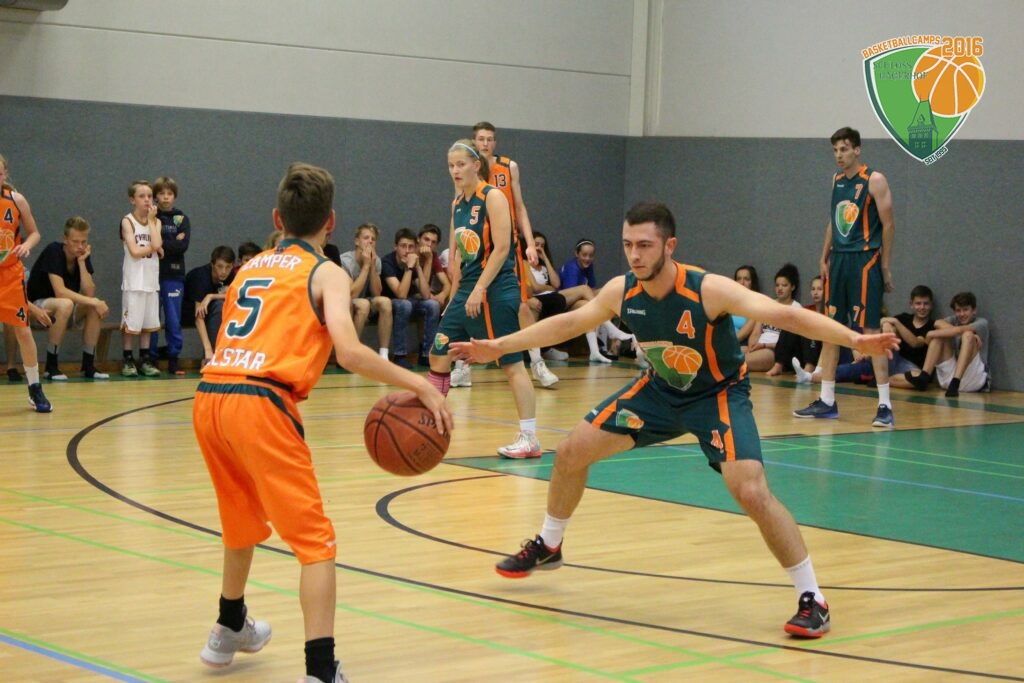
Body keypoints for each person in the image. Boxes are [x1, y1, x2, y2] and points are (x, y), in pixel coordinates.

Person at [451, 201, 900, 638]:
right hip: (660, 392)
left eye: (645, 245)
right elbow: (568, 324)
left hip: (717, 395)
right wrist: (498, 346)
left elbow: (784, 314)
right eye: (628, 244)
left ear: (670, 246)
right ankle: (550, 545)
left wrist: (854, 339)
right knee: (570, 452)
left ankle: (813, 599)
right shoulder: (622, 290)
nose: (634, 255)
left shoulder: (708, 289)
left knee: (751, 491)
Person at [194, 162, 452, 683]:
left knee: (240, 517)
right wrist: (422, 384)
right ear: (331, 222)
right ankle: (320, 671)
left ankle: (228, 627)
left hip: (211, 396)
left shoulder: (251, 266)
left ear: (277, 218)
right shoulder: (327, 272)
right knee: (315, 543)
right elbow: (349, 352)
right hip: (261, 401)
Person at [429, 139, 540, 458]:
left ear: (476, 165)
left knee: (510, 362)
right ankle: (432, 422)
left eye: (461, 164)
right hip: (468, 287)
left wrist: (480, 288)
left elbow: (503, 248)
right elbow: (459, 257)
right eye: (451, 165)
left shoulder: (493, 196)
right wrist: (454, 296)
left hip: (496, 287)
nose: (455, 170)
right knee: (439, 352)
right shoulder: (457, 203)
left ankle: (529, 437)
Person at [795, 127, 896, 428]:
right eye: (835, 150)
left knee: (870, 332)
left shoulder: (874, 180)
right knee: (831, 330)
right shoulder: (836, 180)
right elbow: (833, 220)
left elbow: (889, 225)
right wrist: (823, 256)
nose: (839, 155)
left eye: (844, 149)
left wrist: (885, 266)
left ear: (857, 150)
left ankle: (885, 406)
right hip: (838, 260)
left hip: (865, 260)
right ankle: (827, 400)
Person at [460, 121, 541, 389]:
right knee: (468, 305)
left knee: (522, 306)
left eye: (490, 139)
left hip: (507, 248)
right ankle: (462, 367)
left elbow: (520, 207)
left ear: (495, 142)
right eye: (481, 139)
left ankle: (537, 362)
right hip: (477, 249)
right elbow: (460, 211)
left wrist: (530, 244)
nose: (485, 143)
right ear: (474, 142)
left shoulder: (508, 167)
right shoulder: (466, 169)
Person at [26, 216, 110, 380]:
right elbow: (60, 292)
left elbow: (89, 292)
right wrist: (94, 301)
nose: (80, 246)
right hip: (36, 310)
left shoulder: (82, 255)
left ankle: (88, 365)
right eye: (75, 242)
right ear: (65, 239)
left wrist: (82, 263)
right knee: (66, 303)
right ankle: (51, 366)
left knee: (93, 307)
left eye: (84, 242)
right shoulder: (53, 251)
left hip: (66, 310)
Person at [0, 153, 52, 411]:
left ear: (5, 174)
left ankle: (34, 387)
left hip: (10, 275)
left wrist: (26, 246)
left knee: (23, 331)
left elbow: (34, 233)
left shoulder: (16, 200)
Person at [904, 291, 989, 397]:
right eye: (958, 310)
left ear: (974, 310)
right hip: (948, 380)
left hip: (973, 380)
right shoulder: (952, 320)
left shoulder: (982, 323)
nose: (962, 314)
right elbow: (936, 327)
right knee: (939, 337)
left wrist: (930, 333)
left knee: (968, 335)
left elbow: (961, 330)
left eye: (966, 310)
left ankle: (955, 383)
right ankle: (924, 377)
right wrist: (937, 333)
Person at [120, 180, 164, 378]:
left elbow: (157, 242)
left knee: (147, 324)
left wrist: (153, 223)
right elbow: (135, 251)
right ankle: (128, 359)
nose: (147, 200)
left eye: (149, 196)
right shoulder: (127, 221)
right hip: (133, 281)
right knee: (131, 325)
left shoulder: (156, 222)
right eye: (142, 196)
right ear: (132, 200)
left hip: (151, 280)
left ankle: (145, 360)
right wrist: (154, 248)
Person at [148, 176, 191, 376]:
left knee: (173, 319)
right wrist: (171, 240)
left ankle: (174, 359)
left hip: (174, 275)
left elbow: (182, 246)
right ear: (156, 196)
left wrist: (162, 242)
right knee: (152, 319)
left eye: (170, 193)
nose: (166, 197)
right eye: (162, 193)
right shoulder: (151, 217)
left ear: (174, 196)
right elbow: (151, 243)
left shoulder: (181, 219)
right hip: (152, 275)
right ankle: (151, 359)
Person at [381, 227, 440, 369]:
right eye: (403, 246)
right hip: (389, 302)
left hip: (409, 300)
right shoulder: (387, 262)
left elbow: (426, 294)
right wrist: (409, 268)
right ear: (395, 247)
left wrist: (418, 267)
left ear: (415, 248)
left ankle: (426, 354)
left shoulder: (414, 262)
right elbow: (400, 294)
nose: (407, 251)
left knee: (432, 305)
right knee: (404, 304)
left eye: (411, 247)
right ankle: (400, 355)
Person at [338, 223, 392, 360]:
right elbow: (352, 294)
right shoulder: (345, 261)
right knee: (363, 304)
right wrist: (366, 266)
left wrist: (372, 265)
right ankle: (351, 352)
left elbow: (376, 293)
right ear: (357, 241)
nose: (370, 241)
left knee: (385, 302)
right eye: (366, 238)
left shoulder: (376, 261)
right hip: (345, 302)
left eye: (373, 239)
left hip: (365, 299)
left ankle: (383, 354)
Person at [744, 263, 803, 373]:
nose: (780, 288)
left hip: (774, 351)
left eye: (784, 285)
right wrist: (752, 346)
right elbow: (756, 332)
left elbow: (790, 343)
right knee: (732, 353)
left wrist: (764, 345)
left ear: (792, 287)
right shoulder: (768, 304)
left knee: (740, 361)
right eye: (777, 285)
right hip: (759, 346)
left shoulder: (796, 308)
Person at [184, 246, 235, 367]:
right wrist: (208, 350)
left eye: (228, 267)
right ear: (212, 265)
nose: (224, 271)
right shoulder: (200, 277)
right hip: (187, 312)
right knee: (219, 306)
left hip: (211, 311)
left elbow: (236, 296)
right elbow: (198, 316)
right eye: (220, 266)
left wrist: (211, 296)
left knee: (227, 305)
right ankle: (210, 357)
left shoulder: (231, 276)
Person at [884, 285, 937, 389]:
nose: (922, 307)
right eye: (918, 303)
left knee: (919, 379)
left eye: (926, 304)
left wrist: (896, 322)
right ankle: (883, 375)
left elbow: (915, 343)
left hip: (913, 368)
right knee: (891, 329)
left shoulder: (932, 326)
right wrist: (886, 324)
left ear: (931, 305)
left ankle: (883, 380)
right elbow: (882, 321)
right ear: (911, 304)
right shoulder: (904, 318)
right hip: (894, 359)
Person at [417, 224, 451, 309]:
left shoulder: (433, 256)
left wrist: (442, 295)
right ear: (418, 239)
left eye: (433, 242)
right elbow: (422, 290)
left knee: (449, 299)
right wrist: (429, 260)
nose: (429, 244)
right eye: (426, 239)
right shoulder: (411, 254)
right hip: (411, 295)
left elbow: (447, 284)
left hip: (426, 294)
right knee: (433, 305)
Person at [731, 265, 761, 346]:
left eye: (746, 279)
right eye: (739, 279)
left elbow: (744, 333)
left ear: (752, 283)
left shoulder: (756, 304)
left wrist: (725, 345)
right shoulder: (729, 301)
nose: (742, 283)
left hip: (734, 345)